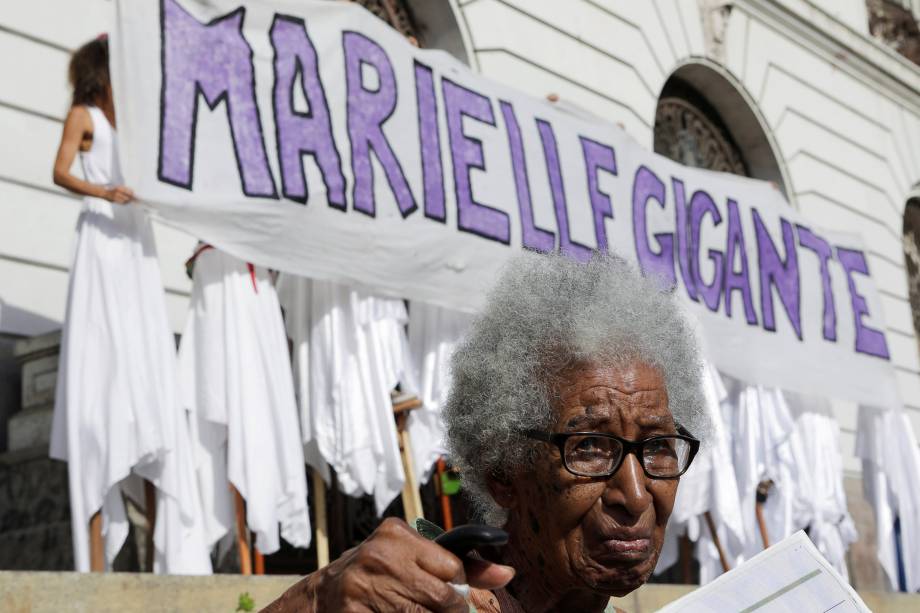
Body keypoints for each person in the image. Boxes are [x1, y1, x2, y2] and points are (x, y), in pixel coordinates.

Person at [265, 253, 707, 612]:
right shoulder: (413, 599)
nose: (634, 495)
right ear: (503, 469)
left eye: (658, 446)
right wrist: (312, 600)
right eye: (590, 445)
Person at [49, 35, 210, 573]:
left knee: (142, 350)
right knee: (106, 346)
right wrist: (105, 193)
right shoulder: (85, 114)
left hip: (133, 240)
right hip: (103, 236)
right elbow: (60, 170)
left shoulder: (130, 123)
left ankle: (161, 538)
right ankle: (97, 545)